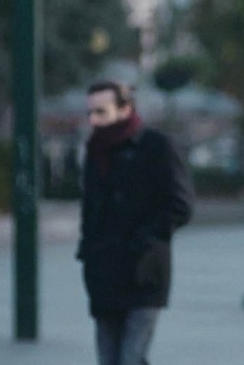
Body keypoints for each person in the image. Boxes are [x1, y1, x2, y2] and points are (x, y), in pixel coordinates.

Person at [76, 81, 194, 365]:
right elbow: (91, 208)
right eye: (90, 112)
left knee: (131, 357)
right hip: (104, 274)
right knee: (108, 357)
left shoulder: (156, 146)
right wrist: (89, 250)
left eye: (101, 112)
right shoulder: (96, 150)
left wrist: (145, 241)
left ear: (125, 109)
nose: (93, 120)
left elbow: (181, 205)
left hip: (143, 274)